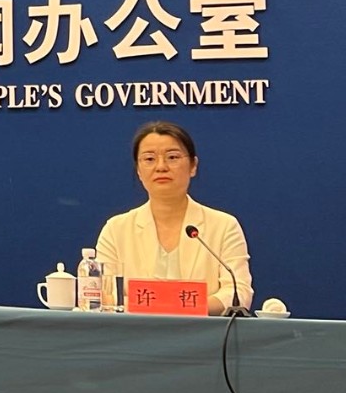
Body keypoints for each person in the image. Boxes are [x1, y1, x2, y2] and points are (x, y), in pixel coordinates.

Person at [95, 121, 253, 314]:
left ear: (193, 166)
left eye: (172, 157)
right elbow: (104, 294)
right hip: (134, 331)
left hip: (203, 332)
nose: (161, 167)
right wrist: (173, 306)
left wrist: (177, 308)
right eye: (149, 159)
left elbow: (238, 293)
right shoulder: (116, 229)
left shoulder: (224, 226)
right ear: (138, 170)